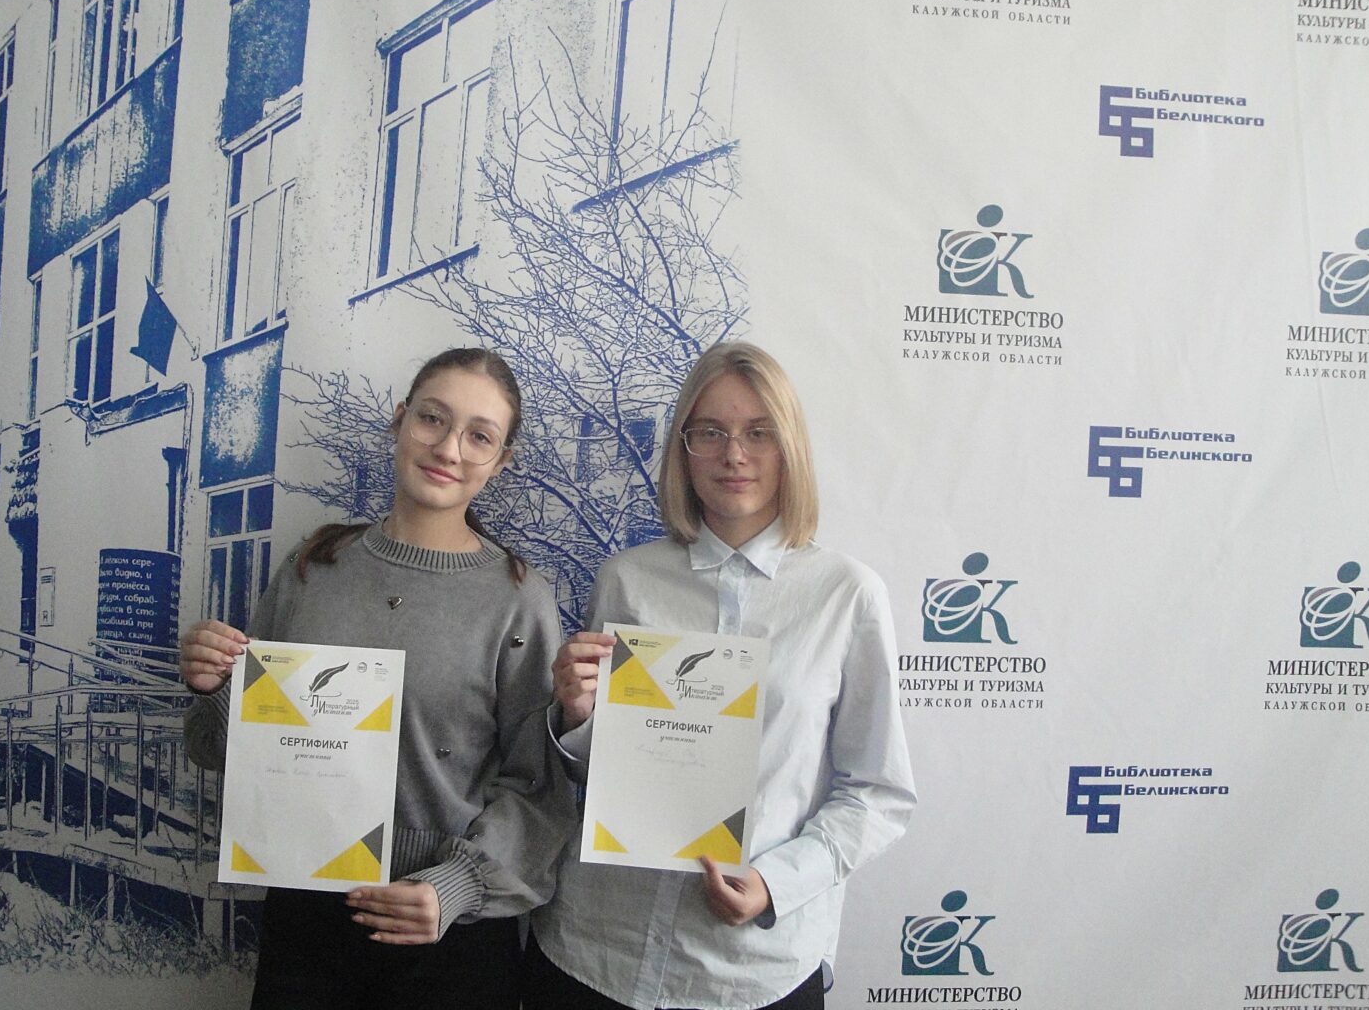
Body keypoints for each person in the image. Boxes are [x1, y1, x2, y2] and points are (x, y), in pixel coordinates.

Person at [526, 342, 916, 1010]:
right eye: (710, 432)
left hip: (750, 971)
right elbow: (602, 773)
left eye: (759, 432)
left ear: (790, 447)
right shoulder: (626, 580)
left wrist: (778, 883)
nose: (734, 454)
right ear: (683, 450)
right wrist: (577, 716)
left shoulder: (847, 596)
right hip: (596, 951)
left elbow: (877, 792)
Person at [181, 348, 574, 1010]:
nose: (448, 448)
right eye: (432, 418)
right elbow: (222, 751)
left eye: (479, 436)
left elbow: (538, 789)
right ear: (399, 420)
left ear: (501, 461)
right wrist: (214, 685)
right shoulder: (313, 568)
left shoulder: (520, 601)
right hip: (306, 917)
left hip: (447, 934)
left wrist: (456, 887)